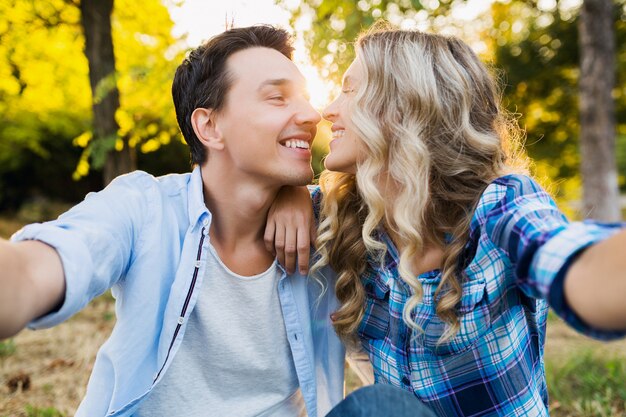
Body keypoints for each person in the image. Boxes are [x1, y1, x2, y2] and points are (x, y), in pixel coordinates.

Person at [268, 27, 626, 416]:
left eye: (350, 91)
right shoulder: (348, 217)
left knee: (377, 406)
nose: (328, 110)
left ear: (405, 106)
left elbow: (568, 256)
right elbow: (238, 196)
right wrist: (289, 190)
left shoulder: (498, 205)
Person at [0, 25, 345, 417]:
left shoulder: (328, 223)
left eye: (304, 98)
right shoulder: (146, 208)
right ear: (209, 127)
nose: (312, 114)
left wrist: (297, 191)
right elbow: (45, 264)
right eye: (277, 98)